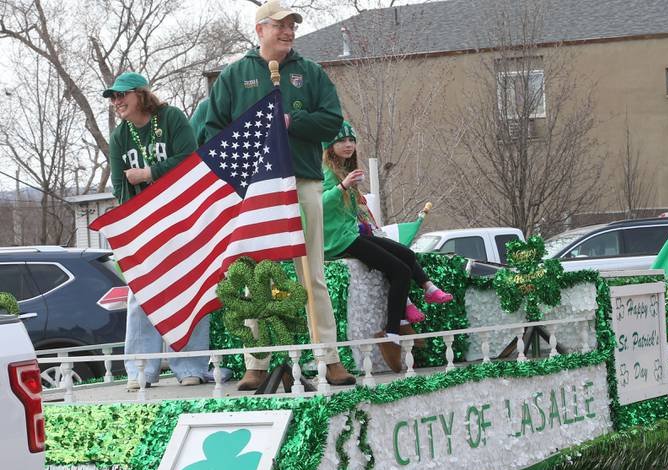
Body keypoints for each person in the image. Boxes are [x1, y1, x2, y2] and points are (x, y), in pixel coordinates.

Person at [204, 0, 356, 388]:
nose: (288, 31)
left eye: (292, 25)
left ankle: (329, 358)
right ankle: (256, 363)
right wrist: (246, 139)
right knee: (254, 277)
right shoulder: (235, 75)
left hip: (303, 180)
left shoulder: (310, 72)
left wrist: (292, 121)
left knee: (313, 275)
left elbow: (333, 120)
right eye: (280, 25)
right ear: (260, 30)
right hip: (256, 190)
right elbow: (210, 131)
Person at [104, 72, 210, 388]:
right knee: (142, 294)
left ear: (140, 94)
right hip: (144, 225)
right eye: (112, 97)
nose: (117, 101)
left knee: (190, 289)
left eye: (122, 95)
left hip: (182, 217)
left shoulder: (171, 118)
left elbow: (191, 159)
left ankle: (190, 367)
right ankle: (140, 370)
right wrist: (129, 225)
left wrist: (150, 172)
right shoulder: (119, 137)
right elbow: (120, 186)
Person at [321, 121, 453, 372]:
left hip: (352, 233)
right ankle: (393, 331)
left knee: (406, 253)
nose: (348, 145)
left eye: (351, 140)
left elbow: (350, 210)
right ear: (330, 146)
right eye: (342, 141)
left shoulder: (344, 169)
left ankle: (425, 290)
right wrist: (343, 186)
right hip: (338, 241)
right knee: (400, 270)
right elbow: (318, 205)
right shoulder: (327, 173)